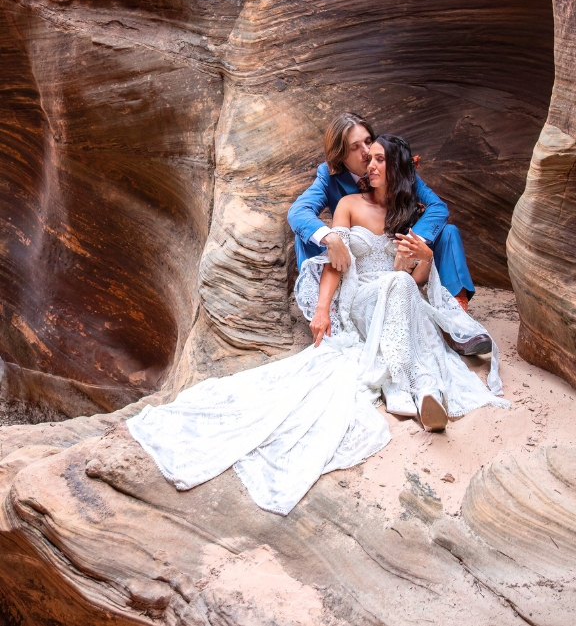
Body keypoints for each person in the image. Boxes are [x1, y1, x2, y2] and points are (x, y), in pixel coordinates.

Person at [127, 134, 507, 516]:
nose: (369, 165)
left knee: (402, 283)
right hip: (360, 298)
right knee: (397, 286)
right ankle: (407, 384)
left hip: (395, 291)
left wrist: (422, 258)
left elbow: (416, 279)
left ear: (398, 168)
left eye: (378, 159)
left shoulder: (408, 214)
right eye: (367, 157)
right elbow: (334, 265)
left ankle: (419, 393)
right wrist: (323, 309)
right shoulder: (347, 204)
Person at [288, 113, 492, 356]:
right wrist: (331, 238)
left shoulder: (395, 168)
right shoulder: (329, 176)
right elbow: (299, 211)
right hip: (349, 260)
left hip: (396, 260)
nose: (365, 152)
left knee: (448, 232)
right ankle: (323, 312)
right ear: (341, 156)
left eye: (368, 141)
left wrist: (412, 242)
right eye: (355, 147)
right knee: (307, 236)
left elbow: (437, 208)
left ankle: (456, 320)